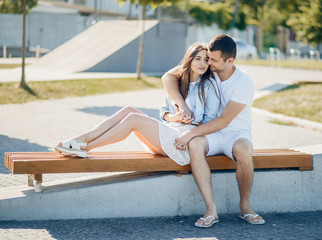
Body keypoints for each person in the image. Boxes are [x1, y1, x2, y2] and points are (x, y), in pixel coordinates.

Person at [55, 43, 220, 168]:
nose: (202, 63)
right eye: (197, 58)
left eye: (206, 60)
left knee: (134, 118)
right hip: (168, 133)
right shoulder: (178, 83)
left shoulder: (208, 86)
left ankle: (86, 148)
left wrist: (189, 129)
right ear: (189, 60)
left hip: (182, 143)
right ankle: (80, 139)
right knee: (128, 109)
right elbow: (164, 113)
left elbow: (210, 122)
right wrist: (175, 117)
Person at [162, 34, 265, 227]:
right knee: (195, 145)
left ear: (230, 61)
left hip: (236, 133)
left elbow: (225, 120)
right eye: (208, 58)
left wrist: (190, 132)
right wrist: (182, 107)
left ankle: (245, 207)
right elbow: (168, 76)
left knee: (243, 149)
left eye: (214, 60)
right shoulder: (209, 69)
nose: (208, 63)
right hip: (211, 133)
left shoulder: (243, 82)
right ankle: (211, 209)